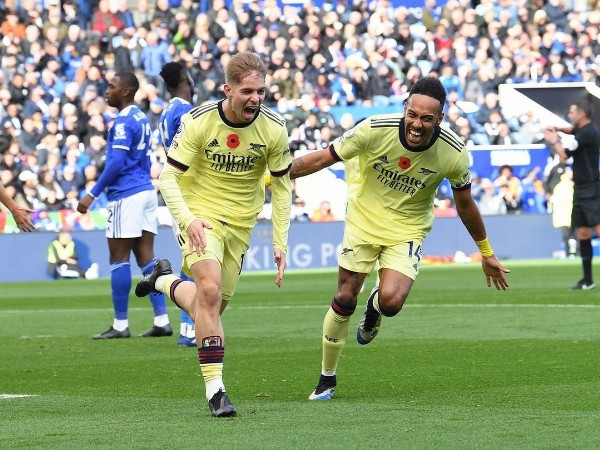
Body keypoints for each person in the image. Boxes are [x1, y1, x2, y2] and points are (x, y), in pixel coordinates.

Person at [288, 76, 510, 401]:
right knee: (345, 296)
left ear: (440, 119)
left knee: (392, 302)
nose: (417, 124)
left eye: (427, 119)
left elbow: (465, 204)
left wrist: (485, 251)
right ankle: (327, 377)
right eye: (413, 114)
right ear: (405, 107)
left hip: (408, 228)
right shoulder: (374, 129)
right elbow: (323, 157)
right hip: (363, 222)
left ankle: (375, 308)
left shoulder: (453, 153)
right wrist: (272, 177)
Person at [135, 52, 292, 417]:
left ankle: (163, 281)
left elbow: (282, 188)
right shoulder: (199, 120)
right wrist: (188, 219)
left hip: (240, 224)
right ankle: (216, 390)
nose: (255, 98)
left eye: (261, 91)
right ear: (228, 89)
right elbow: (168, 178)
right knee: (208, 290)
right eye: (247, 91)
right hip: (199, 216)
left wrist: (280, 240)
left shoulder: (273, 128)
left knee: (211, 308)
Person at [77, 71, 172, 339]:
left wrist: (92, 194)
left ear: (126, 91)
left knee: (118, 259)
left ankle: (120, 325)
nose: (106, 91)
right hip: (145, 192)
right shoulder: (141, 119)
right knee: (147, 260)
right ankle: (162, 320)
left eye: (112, 86)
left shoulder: (122, 122)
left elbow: (116, 163)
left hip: (126, 194)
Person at [158, 61, 197, 348]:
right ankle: (190, 325)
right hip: (189, 190)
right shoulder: (184, 111)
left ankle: (188, 327)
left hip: (176, 190)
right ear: (186, 79)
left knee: (190, 257)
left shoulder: (166, 112)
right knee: (199, 256)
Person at [544, 100, 600, 290]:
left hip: (592, 188)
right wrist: (558, 128)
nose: (570, 114)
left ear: (582, 114)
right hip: (581, 189)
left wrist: (554, 140)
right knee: (582, 232)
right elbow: (571, 130)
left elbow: (564, 155)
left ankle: (588, 279)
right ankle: (587, 280)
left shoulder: (588, 133)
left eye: (572, 111)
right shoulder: (583, 131)